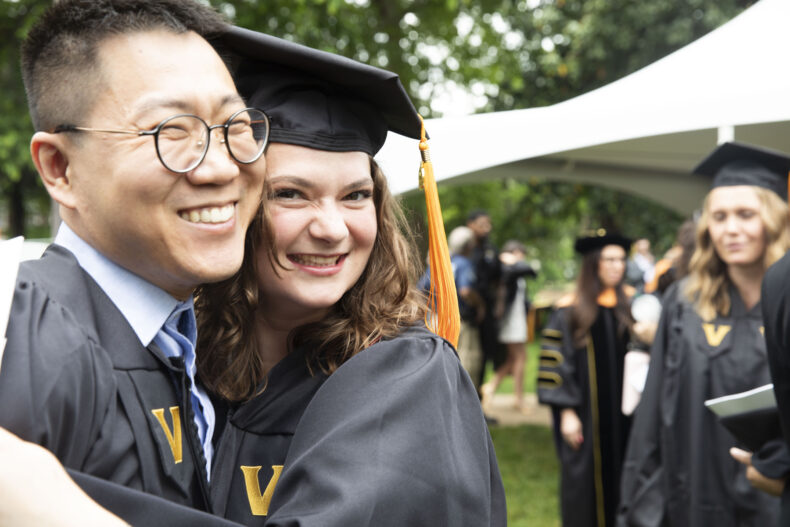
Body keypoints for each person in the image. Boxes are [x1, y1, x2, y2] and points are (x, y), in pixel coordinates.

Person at [197, 27, 506, 526]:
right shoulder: (187, 362)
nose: (332, 228)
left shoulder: (405, 375)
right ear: (235, 205)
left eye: (355, 196)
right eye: (292, 194)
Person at [0, 0, 265, 518]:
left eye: (234, 126)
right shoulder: (27, 335)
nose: (219, 168)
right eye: (170, 132)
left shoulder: (203, 343)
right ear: (59, 168)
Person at [617, 142, 790, 526]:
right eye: (719, 216)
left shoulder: (787, 300)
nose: (731, 229)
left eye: (746, 214)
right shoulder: (685, 301)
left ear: (776, 219)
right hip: (695, 492)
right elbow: (654, 412)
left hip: (774, 495)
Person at [537, 231, 634, 527]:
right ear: (594, 264)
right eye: (610, 259)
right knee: (584, 484)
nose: (617, 266)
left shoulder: (629, 307)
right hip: (586, 417)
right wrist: (567, 412)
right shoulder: (569, 310)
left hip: (628, 416)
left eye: (621, 260)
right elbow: (554, 363)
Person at [481, 240, 537, 413]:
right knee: (520, 358)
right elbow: (528, 270)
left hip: (517, 319)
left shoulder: (513, 269)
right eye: (519, 254)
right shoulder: (505, 268)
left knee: (514, 359)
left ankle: (491, 387)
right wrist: (509, 260)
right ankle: (518, 399)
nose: (521, 258)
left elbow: (530, 273)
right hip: (510, 321)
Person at [466, 209, 502, 389]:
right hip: (466, 312)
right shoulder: (464, 250)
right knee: (467, 355)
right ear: (470, 225)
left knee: (484, 354)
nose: (486, 229)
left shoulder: (491, 250)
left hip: (487, 310)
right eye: (482, 225)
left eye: (488, 225)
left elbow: (498, 280)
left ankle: (478, 399)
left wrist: (498, 306)